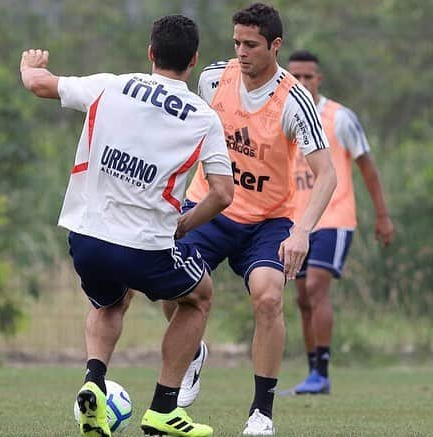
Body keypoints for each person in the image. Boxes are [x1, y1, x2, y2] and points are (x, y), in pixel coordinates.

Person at [20, 15, 234, 437]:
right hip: (145, 246)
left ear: (151, 52)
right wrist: (185, 224)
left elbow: (40, 85)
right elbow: (223, 194)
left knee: (109, 303)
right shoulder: (203, 117)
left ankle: (93, 382)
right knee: (199, 296)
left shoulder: (110, 84)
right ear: (192, 61)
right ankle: (163, 409)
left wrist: (29, 65)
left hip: (86, 238)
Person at [162, 4, 337, 435]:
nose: (241, 51)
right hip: (210, 207)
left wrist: (301, 231)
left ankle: (261, 413)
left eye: (251, 45)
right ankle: (194, 353)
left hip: (269, 221)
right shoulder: (211, 79)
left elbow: (327, 175)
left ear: (275, 46)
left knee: (268, 298)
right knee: (167, 282)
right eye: (237, 42)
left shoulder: (294, 100)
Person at [286, 49, 395, 395]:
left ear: (319, 80)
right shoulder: (283, 114)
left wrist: (382, 216)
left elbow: (368, 168)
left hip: (335, 216)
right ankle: (313, 373)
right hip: (297, 220)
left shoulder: (340, 118)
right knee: (302, 296)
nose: (302, 83)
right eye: (295, 77)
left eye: (308, 77)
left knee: (317, 287)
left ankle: (323, 372)